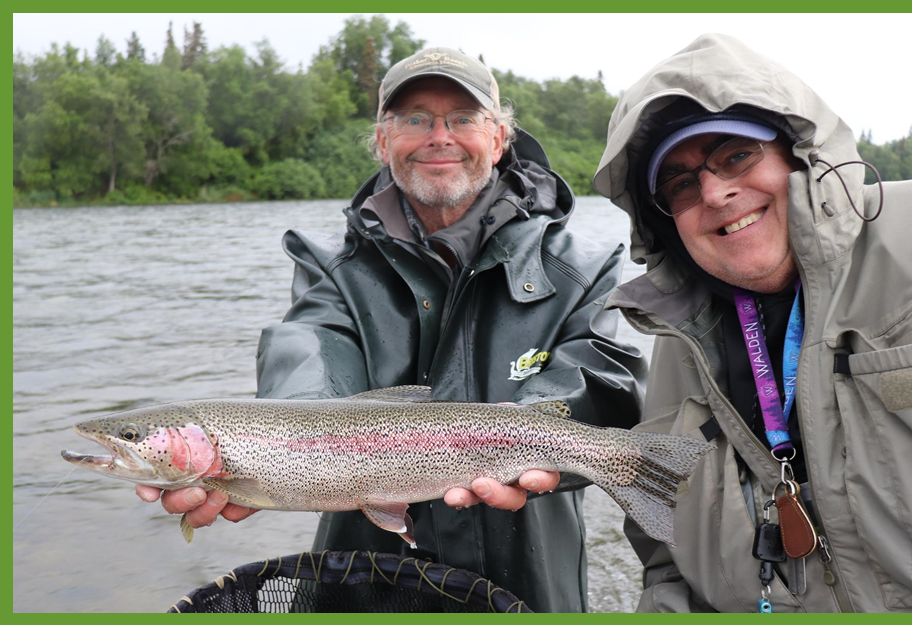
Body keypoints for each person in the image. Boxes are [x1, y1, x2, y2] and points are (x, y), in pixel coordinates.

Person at [138, 47, 646, 612]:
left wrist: (539, 440)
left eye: (462, 118)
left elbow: (604, 382)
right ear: (383, 141)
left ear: (499, 139)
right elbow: (308, 358)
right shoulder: (329, 266)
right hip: (363, 573)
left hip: (529, 571)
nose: (439, 136)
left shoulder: (581, 266)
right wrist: (279, 460)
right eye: (415, 119)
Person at [593, 34, 912, 612]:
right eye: (681, 184)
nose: (715, 192)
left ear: (799, 156)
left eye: (736, 155)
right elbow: (666, 564)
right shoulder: (676, 340)